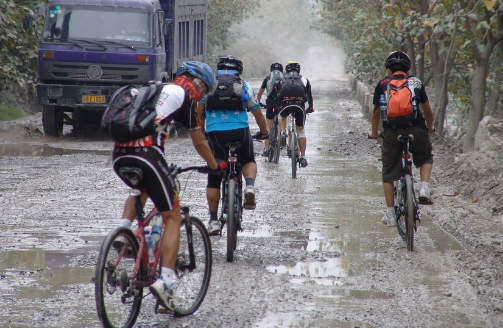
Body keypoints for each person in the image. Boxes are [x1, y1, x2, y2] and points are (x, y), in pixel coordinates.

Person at [111, 61, 226, 310]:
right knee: (173, 216)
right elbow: (199, 142)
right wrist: (214, 166)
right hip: (148, 155)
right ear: (195, 81)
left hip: (120, 155)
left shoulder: (151, 90)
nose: (201, 94)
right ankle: (165, 282)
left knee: (140, 190)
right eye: (203, 88)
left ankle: (123, 233)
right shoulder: (183, 96)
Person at [196, 55, 269, 235]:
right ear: (239, 70)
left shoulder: (209, 86)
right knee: (248, 159)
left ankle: (213, 221)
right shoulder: (243, 86)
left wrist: (203, 132)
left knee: (214, 175)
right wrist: (265, 133)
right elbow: (258, 114)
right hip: (240, 132)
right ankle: (249, 186)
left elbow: (199, 113)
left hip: (215, 134)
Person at [367, 51, 435, 226]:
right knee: (425, 156)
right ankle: (424, 188)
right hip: (416, 129)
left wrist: (374, 133)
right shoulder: (416, 83)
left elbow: (375, 114)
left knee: (388, 173)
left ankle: (390, 215)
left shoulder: (382, 84)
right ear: (408, 69)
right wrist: (429, 127)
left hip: (392, 132)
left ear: (388, 70)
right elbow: (427, 111)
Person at [276, 61, 314, 167]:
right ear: (298, 70)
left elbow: (278, 95)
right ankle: (302, 157)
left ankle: (283, 132)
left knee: (281, 116)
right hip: (299, 106)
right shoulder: (304, 79)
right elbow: (309, 96)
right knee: (301, 132)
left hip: (285, 104)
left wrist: (277, 108)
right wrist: (310, 108)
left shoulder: (282, 79)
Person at [256, 62, 284, 157]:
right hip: (281, 105)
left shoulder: (267, 79)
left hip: (270, 104)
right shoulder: (284, 79)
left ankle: (266, 149)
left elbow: (259, 94)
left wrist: (258, 103)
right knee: (283, 119)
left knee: (268, 126)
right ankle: (283, 135)